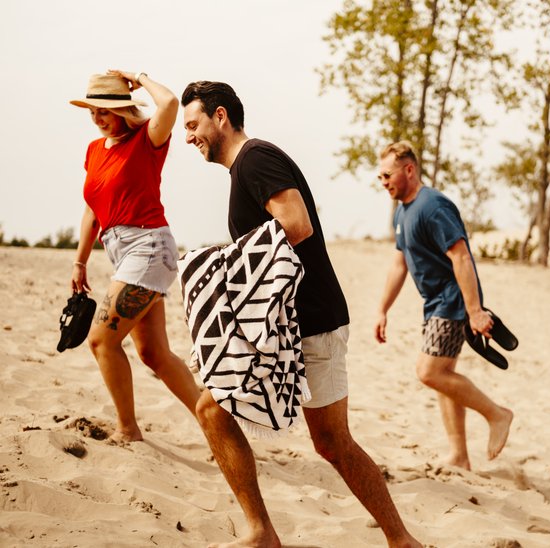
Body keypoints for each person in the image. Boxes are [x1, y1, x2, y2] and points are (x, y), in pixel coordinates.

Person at [181, 81, 421, 548]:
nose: (189, 137)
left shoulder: (256, 159)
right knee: (212, 408)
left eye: (193, 125)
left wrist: (225, 263)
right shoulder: (244, 168)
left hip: (311, 323)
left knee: (333, 443)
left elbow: (296, 224)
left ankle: (400, 539)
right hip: (281, 329)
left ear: (221, 117)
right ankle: (261, 532)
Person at [69, 71, 200, 442]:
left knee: (101, 340)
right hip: (120, 251)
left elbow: (171, 103)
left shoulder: (147, 139)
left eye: (105, 111)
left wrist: (139, 78)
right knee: (154, 354)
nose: (97, 118)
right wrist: (80, 261)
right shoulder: (95, 151)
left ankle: (128, 429)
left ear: (124, 110)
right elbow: (92, 210)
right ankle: (217, 423)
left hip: (149, 248)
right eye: (92, 111)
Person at [374, 141, 513, 470]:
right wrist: (382, 309)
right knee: (442, 374)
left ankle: (497, 414)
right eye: (379, 177)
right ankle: (459, 455)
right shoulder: (403, 211)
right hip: (433, 303)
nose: (383, 182)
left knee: (430, 372)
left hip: (451, 301)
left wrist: (475, 311)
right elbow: (399, 264)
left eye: (387, 175)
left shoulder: (432, 205)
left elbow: (461, 256)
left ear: (409, 169)